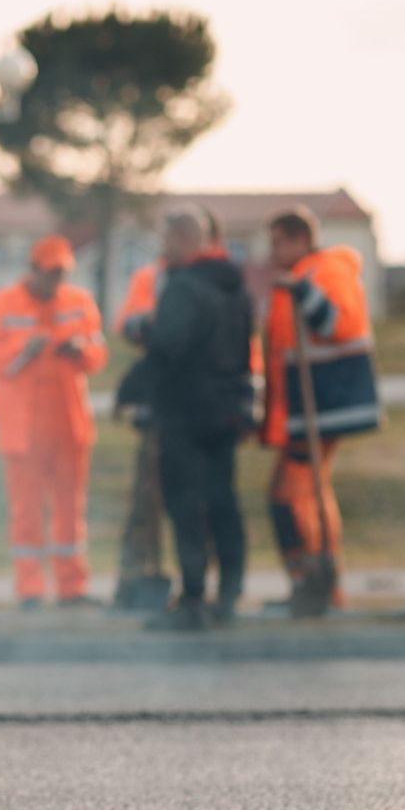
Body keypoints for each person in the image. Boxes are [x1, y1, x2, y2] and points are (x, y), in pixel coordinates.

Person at [0, 235, 107, 609]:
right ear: (33, 270)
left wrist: (80, 350)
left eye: (61, 274)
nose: (56, 281)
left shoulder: (79, 302)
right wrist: (22, 349)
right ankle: (30, 588)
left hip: (68, 423)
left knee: (70, 509)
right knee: (27, 509)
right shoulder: (1, 304)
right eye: (50, 273)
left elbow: (98, 353)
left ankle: (72, 586)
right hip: (23, 428)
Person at [261, 206, 382, 615]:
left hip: (328, 404)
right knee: (296, 493)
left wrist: (301, 291)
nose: (272, 253)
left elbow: (337, 324)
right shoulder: (301, 275)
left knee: (295, 495)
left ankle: (319, 582)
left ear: (301, 239)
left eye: (278, 243)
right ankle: (308, 581)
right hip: (306, 408)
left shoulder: (326, 271)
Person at [139, 206, 254, 631]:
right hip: (226, 410)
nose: (162, 248)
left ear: (184, 239)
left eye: (165, 240)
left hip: (185, 412)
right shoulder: (234, 287)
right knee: (223, 501)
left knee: (186, 504)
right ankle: (229, 595)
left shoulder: (184, 286)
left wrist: (135, 392)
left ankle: (193, 599)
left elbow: (166, 348)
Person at [111, 256, 171, 612]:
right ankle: (134, 580)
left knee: (188, 505)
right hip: (154, 417)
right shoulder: (151, 279)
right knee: (144, 503)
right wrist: (127, 393)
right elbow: (130, 329)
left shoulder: (204, 286)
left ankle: (197, 586)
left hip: (189, 419)